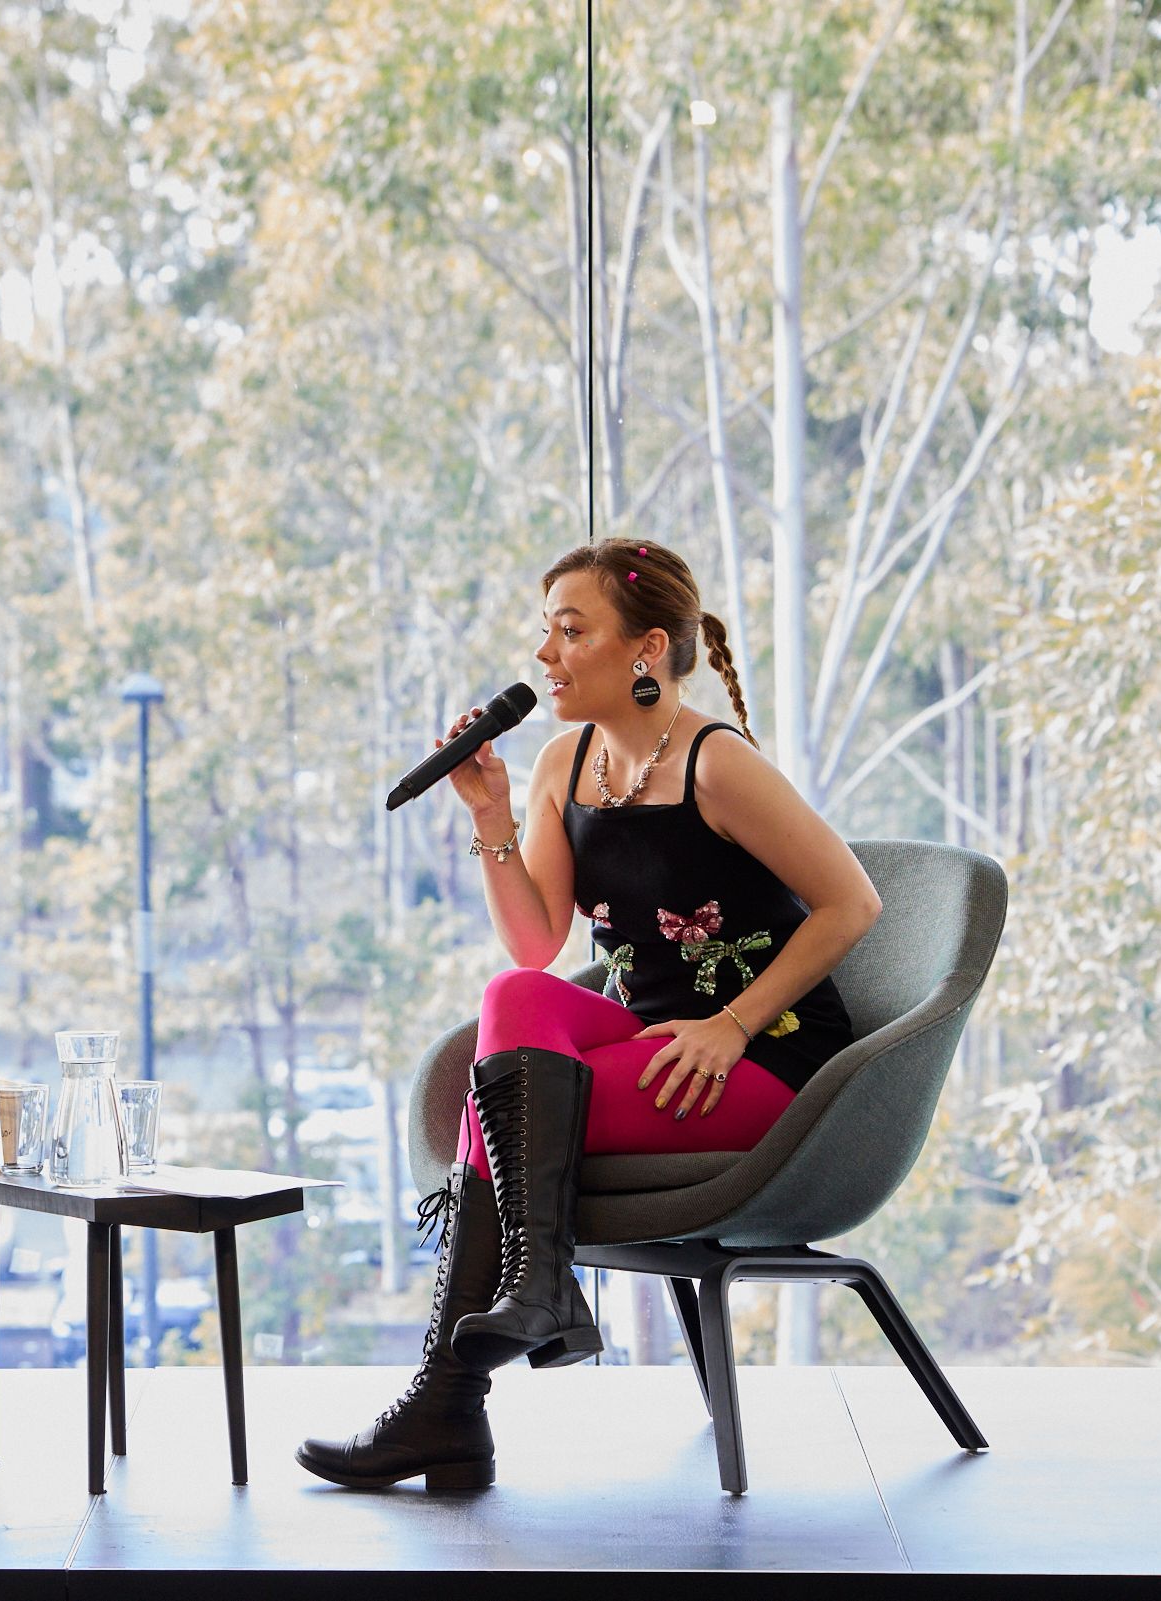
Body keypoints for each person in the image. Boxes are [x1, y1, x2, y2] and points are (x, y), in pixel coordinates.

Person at [297, 539, 881, 1492]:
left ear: (647, 649)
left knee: (501, 1116)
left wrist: (730, 1025)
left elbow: (854, 902)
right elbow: (534, 946)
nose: (546, 657)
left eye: (573, 632)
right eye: (546, 632)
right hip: (652, 1045)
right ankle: (532, 1297)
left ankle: (452, 1398)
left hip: (763, 1064)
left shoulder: (716, 763)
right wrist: (491, 818)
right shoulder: (564, 764)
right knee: (511, 999)